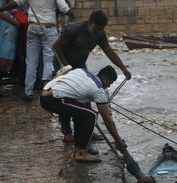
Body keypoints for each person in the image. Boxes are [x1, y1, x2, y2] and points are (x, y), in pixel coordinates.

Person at [53, 10, 131, 143]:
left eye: (101, 29)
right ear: (90, 22)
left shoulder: (100, 34)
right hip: (63, 65)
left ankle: (87, 129)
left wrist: (123, 68)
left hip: (81, 66)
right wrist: (66, 67)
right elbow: (56, 46)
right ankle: (67, 132)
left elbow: (109, 51)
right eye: (97, 28)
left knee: (86, 97)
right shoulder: (73, 29)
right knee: (66, 98)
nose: (98, 31)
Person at [39, 65, 126, 162]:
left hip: (45, 94)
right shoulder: (98, 90)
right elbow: (108, 120)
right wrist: (118, 140)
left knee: (82, 113)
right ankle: (81, 153)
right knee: (91, 115)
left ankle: (80, 146)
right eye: (110, 83)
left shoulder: (82, 71)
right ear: (106, 79)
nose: (109, 86)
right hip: (53, 98)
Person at [0, 0, 73, 102]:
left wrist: (1, 9)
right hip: (48, 28)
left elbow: (16, 3)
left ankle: (28, 93)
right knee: (48, 60)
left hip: (32, 26)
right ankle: (46, 92)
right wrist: (72, 14)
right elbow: (64, 9)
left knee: (31, 62)